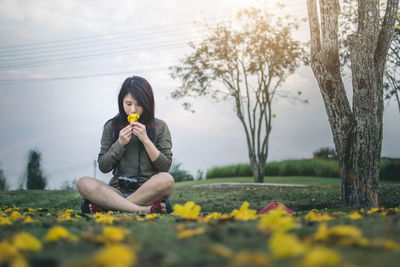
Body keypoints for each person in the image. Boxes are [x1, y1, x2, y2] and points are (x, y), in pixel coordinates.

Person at [76, 76, 174, 214]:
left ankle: (109, 206)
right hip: (117, 191)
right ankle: (143, 209)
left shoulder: (160, 126)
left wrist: (146, 140)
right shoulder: (111, 126)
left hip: (147, 191)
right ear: (121, 102)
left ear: (148, 103)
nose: (133, 110)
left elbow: (165, 167)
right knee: (83, 182)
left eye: (138, 104)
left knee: (167, 180)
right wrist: (120, 143)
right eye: (128, 104)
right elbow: (104, 167)